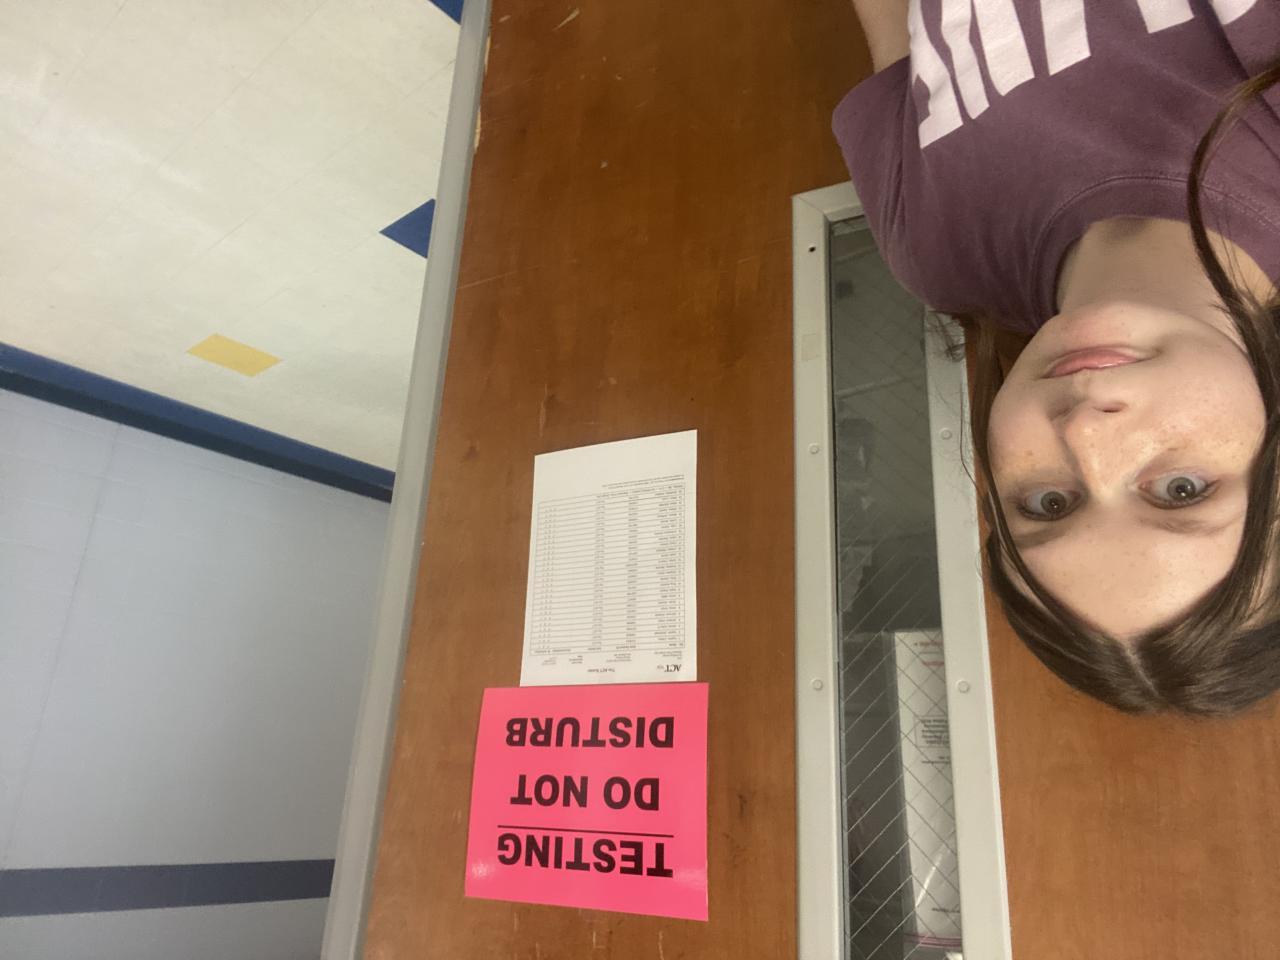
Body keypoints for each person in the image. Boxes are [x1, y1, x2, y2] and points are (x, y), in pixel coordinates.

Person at [834, 0, 1280, 715]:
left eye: (1047, 503)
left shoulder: (938, 254)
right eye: (1182, 490)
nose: (1085, 433)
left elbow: (889, 23)